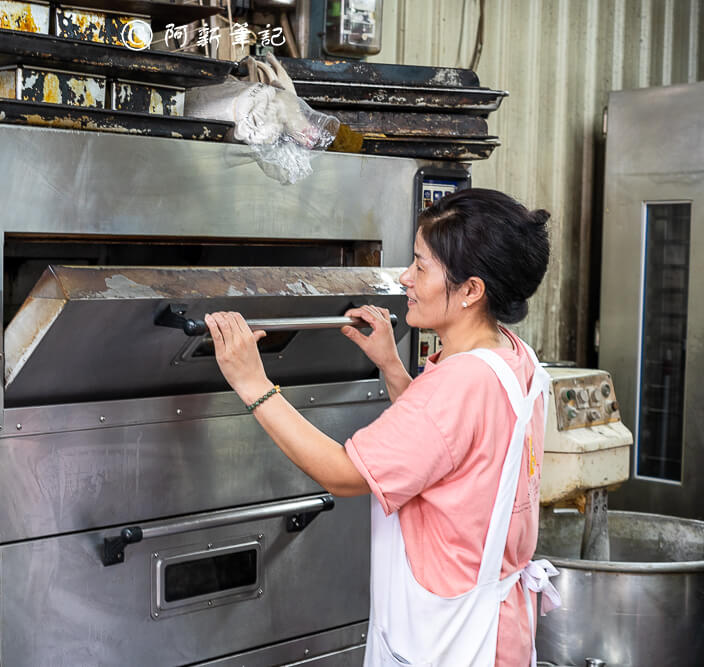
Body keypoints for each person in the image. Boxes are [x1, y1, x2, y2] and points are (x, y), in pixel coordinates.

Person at [204, 188, 560, 667]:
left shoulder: (460, 382)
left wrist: (254, 384)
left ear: (471, 290)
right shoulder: (513, 357)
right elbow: (448, 447)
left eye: (421, 266)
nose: (405, 278)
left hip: (450, 641)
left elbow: (342, 473)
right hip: (498, 628)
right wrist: (393, 368)